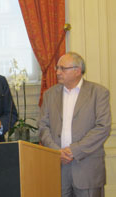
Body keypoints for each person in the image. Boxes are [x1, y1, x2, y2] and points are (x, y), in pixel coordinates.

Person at [38, 52, 111, 197]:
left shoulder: (99, 93)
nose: (58, 72)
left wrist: (73, 150)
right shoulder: (49, 95)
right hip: (58, 167)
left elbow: (103, 127)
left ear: (77, 71)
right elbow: (42, 126)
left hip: (87, 169)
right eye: (57, 68)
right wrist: (56, 151)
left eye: (63, 68)